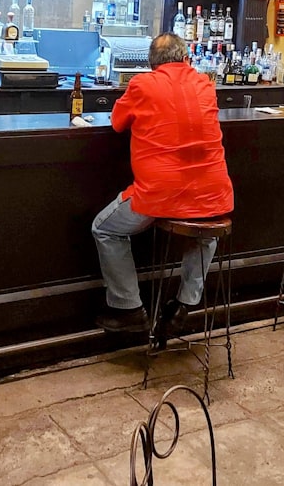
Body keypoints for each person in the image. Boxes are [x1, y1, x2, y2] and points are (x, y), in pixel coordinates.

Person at [91, 33, 234, 336]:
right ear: (186, 58)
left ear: (151, 63)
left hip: (160, 195)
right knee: (206, 230)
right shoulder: (206, 84)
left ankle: (129, 308)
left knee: (104, 228)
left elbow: (117, 122)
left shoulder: (142, 84)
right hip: (213, 191)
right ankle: (184, 307)